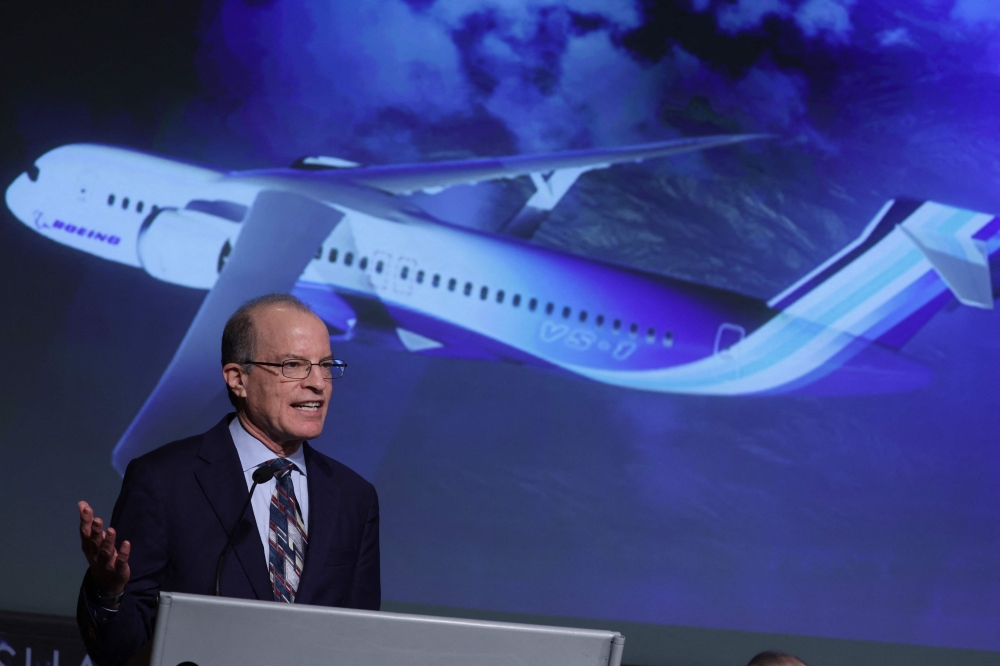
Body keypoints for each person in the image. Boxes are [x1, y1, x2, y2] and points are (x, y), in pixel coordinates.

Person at [76, 294, 379, 666]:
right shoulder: (164, 481)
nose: (319, 383)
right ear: (238, 379)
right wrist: (110, 591)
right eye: (294, 366)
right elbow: (120, 650)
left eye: (326, 365)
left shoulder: (354, 498)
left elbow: (363, 642)